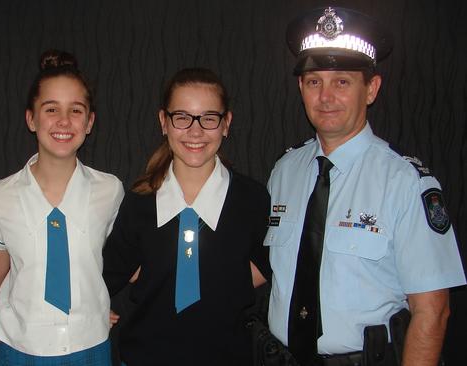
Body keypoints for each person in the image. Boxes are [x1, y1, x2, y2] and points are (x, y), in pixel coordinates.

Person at [265, 6, 467, 366]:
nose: (326, 97)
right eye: (314, 82)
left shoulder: (404, 183)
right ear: (301, 87)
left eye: (342, 82)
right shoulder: (285, 171)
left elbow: (432, 313)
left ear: (371, 88)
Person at [103, 68, 271, 365]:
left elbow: (270, 267)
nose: (196, 131)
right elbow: (105, 274)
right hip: (146, 357)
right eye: (182, 117)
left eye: (209, 118)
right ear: (163, 122)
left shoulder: (252, 199)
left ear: (226, 123)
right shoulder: (140, 202)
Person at [0, 49, 124, 366]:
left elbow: (112, 260)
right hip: (19, 349)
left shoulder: (110, 190)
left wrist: (97, 301)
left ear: (89, 122)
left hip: (90, 348)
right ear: (31, 119)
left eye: (76, 110)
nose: (64, 121)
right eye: (51, 109)